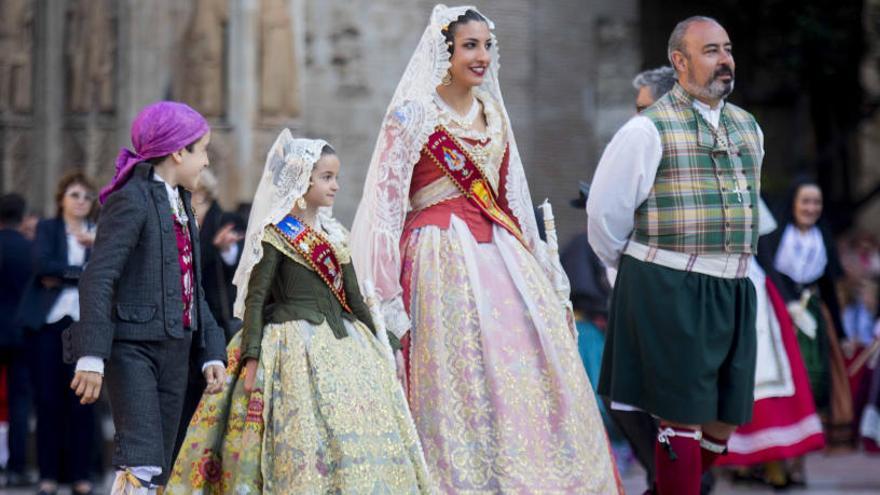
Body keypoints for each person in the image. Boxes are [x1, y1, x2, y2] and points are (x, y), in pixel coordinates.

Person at [350, 5, 619, 493]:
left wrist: (543, 270)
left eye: (487, 46)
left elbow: (510, 197)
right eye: (470, 46)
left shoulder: (493, 115)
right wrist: (383, 295)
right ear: (444, 51)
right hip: (437, 260)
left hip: (500, 254)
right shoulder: (412, 115)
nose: (482, 57)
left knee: (524, 370)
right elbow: (386, 208)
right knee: (457, 380)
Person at [166, 131, 432, 493]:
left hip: (345, 345)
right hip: (288, 345)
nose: (335, 185)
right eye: (326, 177)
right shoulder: (276, 234)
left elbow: (353, 299)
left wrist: (380, 338)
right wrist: (253, 357)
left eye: (336, 177)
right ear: (302, 179)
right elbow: (257, 300)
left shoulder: (336, 235)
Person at [588, 16, 763, 495]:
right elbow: (605, 217)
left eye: (727, 48)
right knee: (681, 416)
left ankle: (668, 487)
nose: (725, 59)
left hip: (733, 286)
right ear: (679, 62)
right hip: (669, 282)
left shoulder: (749, 127)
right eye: (710, 51)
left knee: (728, 416)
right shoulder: (647, 130)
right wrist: (641, 274)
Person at [64, 101, 228, 495]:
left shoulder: (182, 204)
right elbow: (99, 277)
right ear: (177, 152)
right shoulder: (131, 199)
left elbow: (193, 287)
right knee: (141, 459)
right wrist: (92, 356)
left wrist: (211, 351)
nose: (205, 161)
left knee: (161, 467)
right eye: (202, 150)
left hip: (176, 350)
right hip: (132, 350)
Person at [717, 199, 825, 489]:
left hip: (755, 293)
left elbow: (764, 255)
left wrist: (789, 303)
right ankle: (742, 461)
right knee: (732, 379)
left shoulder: (748, 195)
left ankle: (773, 460)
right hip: (718, 290)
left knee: (764, 378)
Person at [757, 178, 853, 481]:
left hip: (813, 319)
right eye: (805, 201)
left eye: (816, 203)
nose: (811, 208)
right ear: (793, 204)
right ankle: (775, 462)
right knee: (785, 386)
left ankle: (799, 462)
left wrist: (841, 334)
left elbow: (829, 290)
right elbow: (768, 274)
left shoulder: (821, 239)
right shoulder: (775, 238)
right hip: (781, 315)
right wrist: (786, 304)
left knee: (815, 386)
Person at [16, 173, 99, 495]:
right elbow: (42, 266)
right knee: (48, 400)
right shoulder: (48, 229)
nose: (81, 201)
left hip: (86, 325)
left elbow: (104, 273)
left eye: (87, 197)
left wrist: (66, 275)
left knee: (83, 400)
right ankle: (48, 474)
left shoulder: (98, 233)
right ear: (62, 198)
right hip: (49, 325)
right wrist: (80, 275)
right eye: (75, 195)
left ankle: (81, 475)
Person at [171, 169, 243, 464]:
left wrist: (222, 250)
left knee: (210, 396)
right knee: (182, 397)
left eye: (200, 196)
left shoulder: (226, 222)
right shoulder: (175, 220)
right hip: (180, 322)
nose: (195, 201)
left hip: (214, 324)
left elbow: (235, 268)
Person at [0, 193, 33, 488]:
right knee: (19, 403)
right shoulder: (29, 249)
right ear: (22, 217)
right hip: (21, 334)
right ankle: (17, 467)